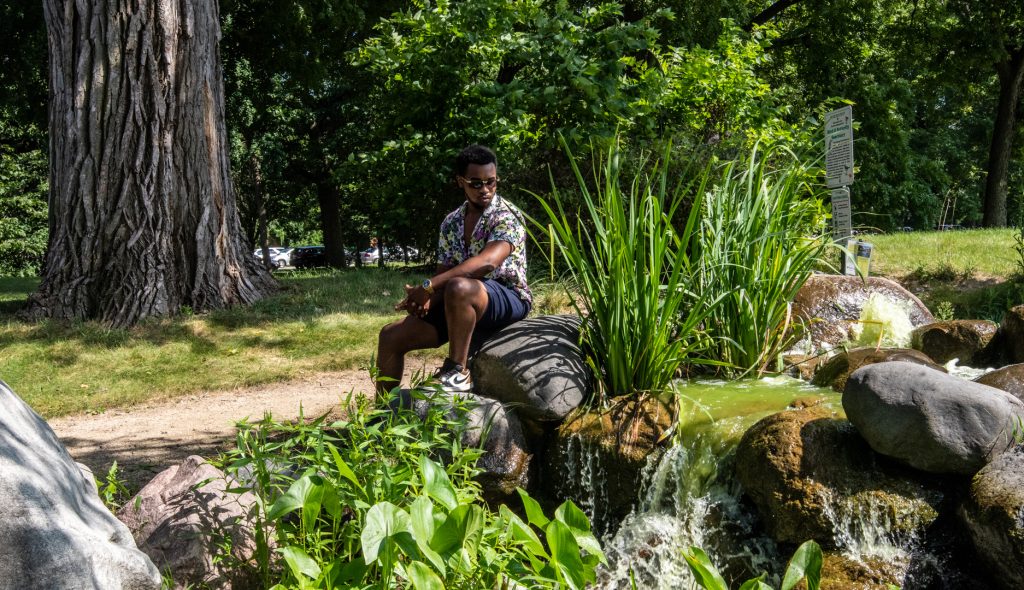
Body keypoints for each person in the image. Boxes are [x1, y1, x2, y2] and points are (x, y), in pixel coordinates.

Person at [376, 144, 532, 393]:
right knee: (391, 336)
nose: (485, 190)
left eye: (491, 182)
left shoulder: (506, 216)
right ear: (461, 182)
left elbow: (487, 263)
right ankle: (382, 416)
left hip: (507, 297)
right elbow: (444, 271)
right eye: (476, 183)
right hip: (459, 303)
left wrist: (429, 286)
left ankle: (457, 372)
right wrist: (424, 299)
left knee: (460, 287)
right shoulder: (451, 222)